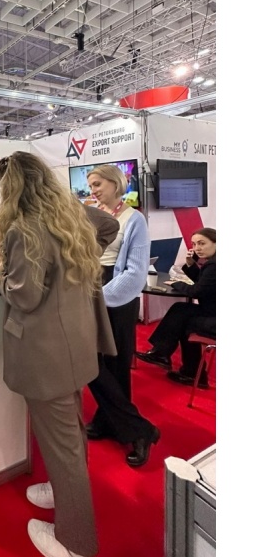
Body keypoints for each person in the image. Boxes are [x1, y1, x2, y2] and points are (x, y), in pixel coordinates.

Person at [0, 151, 116, 557]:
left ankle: (76, 544)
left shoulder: (24, 229)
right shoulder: (72, 218)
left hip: (45, 355)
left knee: (63, 446)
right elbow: (109, 225)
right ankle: (62, 492)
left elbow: (24, 295)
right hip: (74, 348)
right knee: (70, 433)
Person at [83, 165, 159, 468]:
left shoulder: (134, 219)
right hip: (91, 289)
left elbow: (135, 271)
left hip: (118, 295)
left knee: (115, 364)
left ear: (116, 184)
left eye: (98, 184)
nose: (93, 190)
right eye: (91, 185)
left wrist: (101, 298)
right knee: (92, 362)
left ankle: (127, 427)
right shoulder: (91, 214)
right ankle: (127, 425)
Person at [136, 228, 216, 388]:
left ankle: (175, 362)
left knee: (184, 321)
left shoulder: (214, 265)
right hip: (212, 310)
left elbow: (196, 291)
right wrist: (191, 265)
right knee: (181, 309)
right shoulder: (212, 263)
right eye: (194, 244)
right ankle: (168, 357)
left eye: (202, 243)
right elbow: (203, 284)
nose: (197, 248)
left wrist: (176, 283)